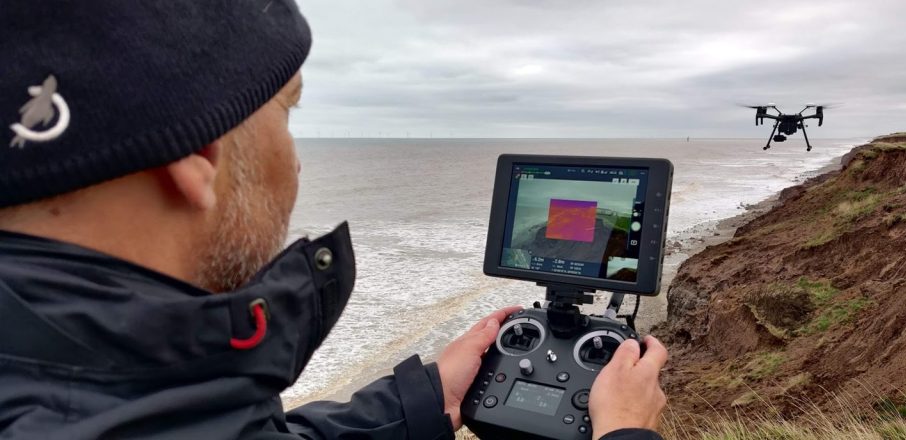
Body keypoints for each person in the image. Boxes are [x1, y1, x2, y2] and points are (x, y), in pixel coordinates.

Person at [0, 1, 668, 439]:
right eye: (287, 114)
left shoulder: (111, 390)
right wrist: (627, 434)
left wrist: (424, 398)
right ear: (195, 154)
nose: (297, 165)